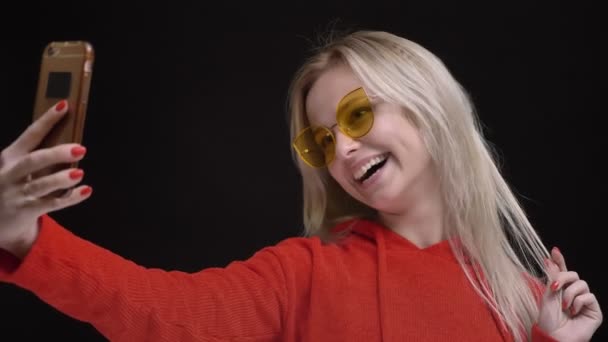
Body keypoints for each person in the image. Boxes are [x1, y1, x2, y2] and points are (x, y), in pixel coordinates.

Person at [0, 30, 602, 341]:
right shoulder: (307, 273)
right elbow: (162, 312)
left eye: (358, 116)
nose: (341, 150)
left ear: (430, 107)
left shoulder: (528, 297)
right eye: (320, 141)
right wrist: (29, 239)